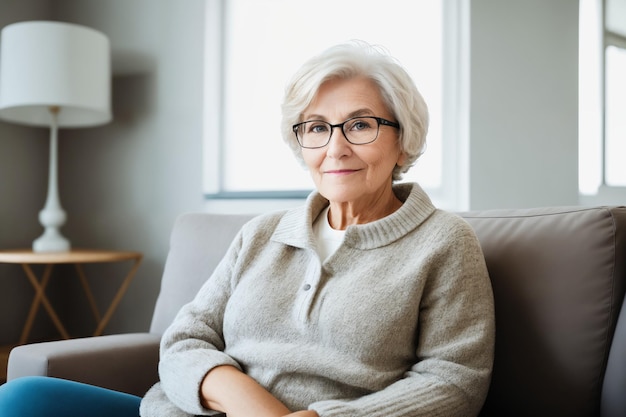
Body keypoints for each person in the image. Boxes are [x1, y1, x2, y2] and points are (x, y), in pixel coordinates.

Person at [0, 41, 495, 417]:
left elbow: (455, 379)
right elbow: (184, 340)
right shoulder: (262, 234)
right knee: (23, 396)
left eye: (360, 125)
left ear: (403, 140)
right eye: (316, 127)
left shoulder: (444, 243)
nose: (335, 148)